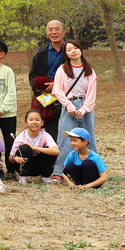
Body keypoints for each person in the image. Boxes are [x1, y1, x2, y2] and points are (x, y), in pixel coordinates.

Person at [52, 40, 98, 181]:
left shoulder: (89, 70)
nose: (73, 51)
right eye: (69, 49)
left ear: (81, 50)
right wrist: (69, 106)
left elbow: (92, 92)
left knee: (88, 138)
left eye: (76, 48)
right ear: (66, 54)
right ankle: (59, 171)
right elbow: (57, 90)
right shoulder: (62, 69)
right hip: (69, 105)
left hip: (86, 106)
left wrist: (84, 109)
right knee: (65, 139)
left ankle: (93, 170)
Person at [8, 109, 60, 184]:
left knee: (49, 151)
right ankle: (23, 177)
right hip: (24, 165)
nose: (34, 122)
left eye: (37, 120)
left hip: (39, 167)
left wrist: (35, 148)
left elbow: (56, 151)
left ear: (42, 123)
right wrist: (15, 158)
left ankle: (45, 177)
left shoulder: (45, 135)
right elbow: (10, 157)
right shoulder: (21, 137)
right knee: (25, 148)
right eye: (31, 120)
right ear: (26, 122)